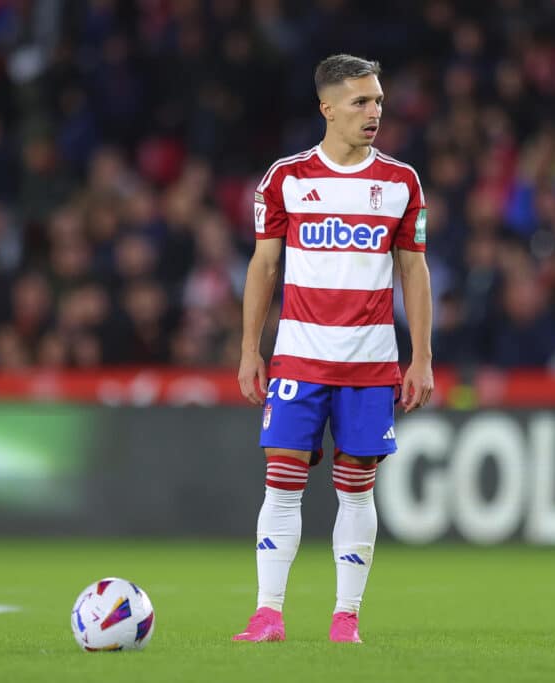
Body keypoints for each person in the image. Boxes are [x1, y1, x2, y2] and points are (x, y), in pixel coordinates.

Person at [233, 54, 433, 644]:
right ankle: (268, 612)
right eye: (360, 102)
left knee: (357, 487)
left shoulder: (401, 182)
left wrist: (420, 356)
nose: (374, 113)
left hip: (370, 364)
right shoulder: (286, 179)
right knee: (282, 482)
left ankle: (346, 617)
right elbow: (264, 265)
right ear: (327, 108)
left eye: (378, 101)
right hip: (299, 357)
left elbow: (414, 273)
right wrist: (250, 349)